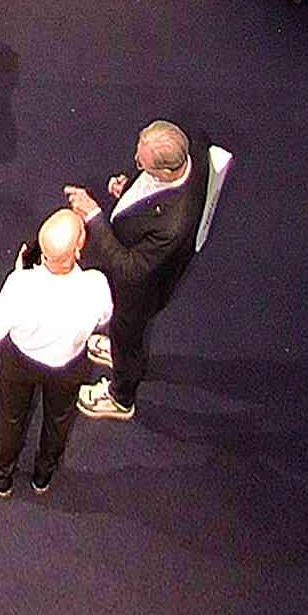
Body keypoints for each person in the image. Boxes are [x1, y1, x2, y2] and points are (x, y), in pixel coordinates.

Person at [68, 120, 207, 423]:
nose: (135, 164)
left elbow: (130, 268)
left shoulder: (172, 225)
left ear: (165, 172)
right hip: (143, 262)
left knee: (128, 334)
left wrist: (93, 216)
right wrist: (130, 189)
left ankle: (120, 397)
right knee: (123, 335)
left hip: (141, 292)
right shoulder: (189, 150)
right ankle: (119, 351)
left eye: (142, 164)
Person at [0, 208, 114, 496]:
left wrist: (19, 277)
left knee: (12, 416)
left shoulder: (19, 285)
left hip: (20, 363)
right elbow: (104, 320)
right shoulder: (96, 285)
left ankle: (2, 471)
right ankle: (43, 475)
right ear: (78, 248)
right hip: (69, 367)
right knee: (59, 420)